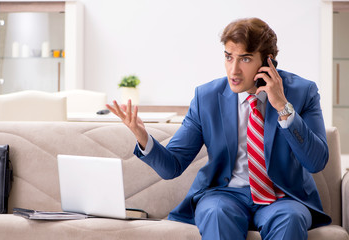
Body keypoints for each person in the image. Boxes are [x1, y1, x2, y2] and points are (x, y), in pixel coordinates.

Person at [106, 17, 331, 240]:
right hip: (225, 195)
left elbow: (315, 162)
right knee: (215, 212)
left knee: (290, 218)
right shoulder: (207, 97)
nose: (234, 70)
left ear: (267, 62)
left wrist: (283, 106)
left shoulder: (303, 92)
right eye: (228, 57)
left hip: (282, 198)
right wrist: (143, 137)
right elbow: (172, 166)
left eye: (244, 59)